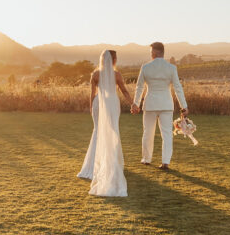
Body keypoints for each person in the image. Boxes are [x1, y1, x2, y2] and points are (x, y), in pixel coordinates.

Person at [77, 49, 132, 197]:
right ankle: (109, 164)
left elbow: (92, 93)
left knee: (97, 131)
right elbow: (124, 91)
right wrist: (133, 104)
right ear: (114, 60)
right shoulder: (117, 75)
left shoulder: (95, 74)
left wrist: (91, 107)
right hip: (112, 104)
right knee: (112, 131)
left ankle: (93, 166)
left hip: (98, 104)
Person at [131, 42, 188, 170]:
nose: (150, 54)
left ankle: (146, 159)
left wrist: (136, 103)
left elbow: (139, 87)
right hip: (166, 105)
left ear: (155, 53)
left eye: (151, 52)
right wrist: (184, 106)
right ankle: (165, 162)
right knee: (167, 134)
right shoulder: (171, 68)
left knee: (148, 133)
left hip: (150, 104)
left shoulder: (145, 67)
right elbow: (178, 88)